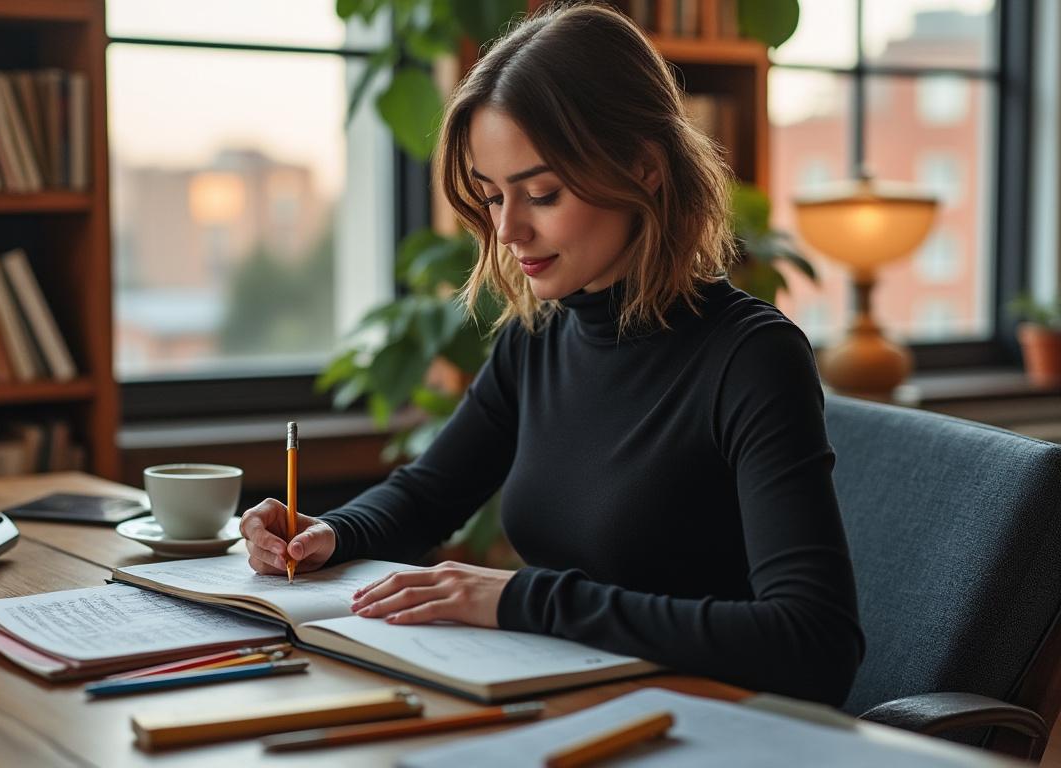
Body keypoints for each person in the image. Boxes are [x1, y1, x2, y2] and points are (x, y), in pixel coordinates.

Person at [240, 2, 864, 707]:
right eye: (491, 197)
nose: (509, 229)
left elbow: (813, 643)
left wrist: (520, 599)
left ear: (644, 168)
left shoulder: (752, 358)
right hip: (567, 701)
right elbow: (428, 494)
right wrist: (326, 533)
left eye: (542, 193)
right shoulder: (537, 337)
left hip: (703, 724)